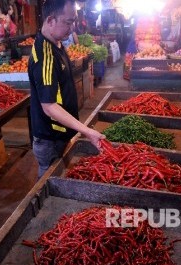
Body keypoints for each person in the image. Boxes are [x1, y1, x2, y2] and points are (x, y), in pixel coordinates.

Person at [28, 0, 105, 178]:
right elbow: (49, 107)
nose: (72, 28)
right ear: (50, 20)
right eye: (68, 22)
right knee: (49, 183)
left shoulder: (57, 44)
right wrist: (86, 131)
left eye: (73, 22)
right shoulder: (45, 57)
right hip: (50, 138)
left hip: (61, 133)